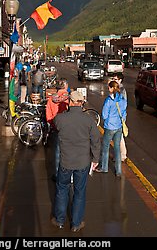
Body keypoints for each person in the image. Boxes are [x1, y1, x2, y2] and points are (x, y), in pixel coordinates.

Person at [51, 89, 101, 232]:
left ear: (70, 102)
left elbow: (55, 123)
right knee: (80, 192)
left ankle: (60, 220)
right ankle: (76, 223)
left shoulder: (60, 119)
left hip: (66, 161)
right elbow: (96, 140)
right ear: (81, 103)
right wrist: (95, 158)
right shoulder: (89, 120)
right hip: (82, 162)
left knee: (62, 189)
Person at [96, 80, 127, 178]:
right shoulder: (122, 99)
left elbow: (104, 115)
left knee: (105, 147)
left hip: (109, 126)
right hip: (118, 126)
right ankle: (118, 171)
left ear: (112, 88)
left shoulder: (109, 100)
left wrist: (107, 120)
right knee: (117, 148)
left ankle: (104, 167)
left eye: (109, 87)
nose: (108, 89)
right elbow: (124, 113)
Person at [46, 79, 70, 180]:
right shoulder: (68, 99)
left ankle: (57, 173)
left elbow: (48, 116)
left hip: (56, 128)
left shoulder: (51, 99)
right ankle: (67, 173)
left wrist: (53, 124)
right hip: (67, 129)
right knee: (68, 152)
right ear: (65, 87)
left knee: (57, 152)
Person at [112, 73, 128, 162]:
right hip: (117, 116)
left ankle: (122, 155)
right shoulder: (117, 89)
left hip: (119, 116)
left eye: (115, 79)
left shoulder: (121, 90)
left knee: (119, 136)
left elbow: (122, 104)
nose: (114, 80)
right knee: (117, 136)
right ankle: (121, 154)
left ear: (120, 80)